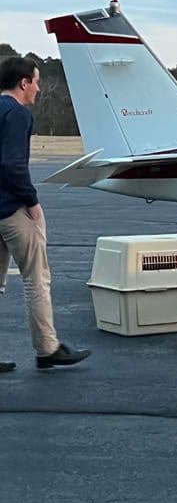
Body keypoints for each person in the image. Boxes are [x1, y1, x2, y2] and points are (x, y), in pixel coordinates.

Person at [0, 57, 91, 370]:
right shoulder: (17, 114)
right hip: (13, 210)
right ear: (23, 82)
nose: (38, 88)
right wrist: (32, 201)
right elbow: (12, 164)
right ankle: (47, 348)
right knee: (36, 280)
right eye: (36, 81)